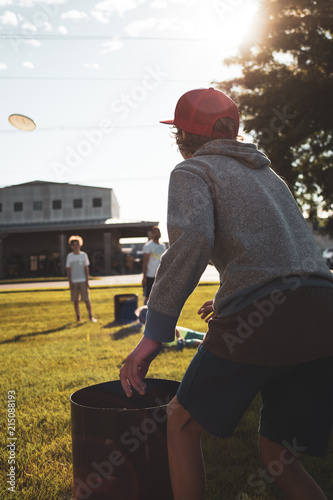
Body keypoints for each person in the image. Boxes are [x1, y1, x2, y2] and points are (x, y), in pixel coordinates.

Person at [119, 87, 333, 500]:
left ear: (182, 137)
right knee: (278, 453)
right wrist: (225, 298)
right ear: (233, 131)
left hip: (267, 316)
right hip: (322, 311)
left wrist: (153, 335)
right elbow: (281, 251)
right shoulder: (270, 176)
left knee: (180, 421)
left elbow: (193, 240)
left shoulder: (191, 172)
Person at [66, 235, 97, 322]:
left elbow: (86, 269)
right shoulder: (70, 256)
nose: (76, 246)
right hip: (74, 281)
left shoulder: (84, 255)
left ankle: (90, 316)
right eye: (74, 245)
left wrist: (87, 281)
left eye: (77, 244)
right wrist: (70, 282)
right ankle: (78, 317)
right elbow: (68, 270)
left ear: (80, 245)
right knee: (75, 300)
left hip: (83, 280)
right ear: (71, 246)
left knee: (86, 299)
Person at [141, 226, 165, 303]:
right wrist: (144, 277)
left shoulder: (162, 246)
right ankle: (147, 313)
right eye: (155, 232)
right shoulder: (148, 246)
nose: (157, 233)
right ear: (151, 234)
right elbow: (145, 263)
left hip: (160, 275)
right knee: (149, 297)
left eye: (158, 231)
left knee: (160, 296)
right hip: (150, 275)